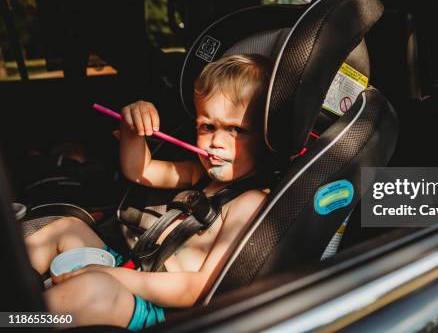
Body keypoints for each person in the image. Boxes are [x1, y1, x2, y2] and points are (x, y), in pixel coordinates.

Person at [24, 53, 273, 330]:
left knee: (90, 289)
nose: (216, 142)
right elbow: (139, 170)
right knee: (67, 228)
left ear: (267, 135)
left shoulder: (249, 201)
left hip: (160, 312)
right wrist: (133, 130)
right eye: (207, 126)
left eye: (236, 129)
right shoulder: (198, 174)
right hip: (133, 270)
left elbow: (198, 287)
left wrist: (112, 277)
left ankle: (14, 322)